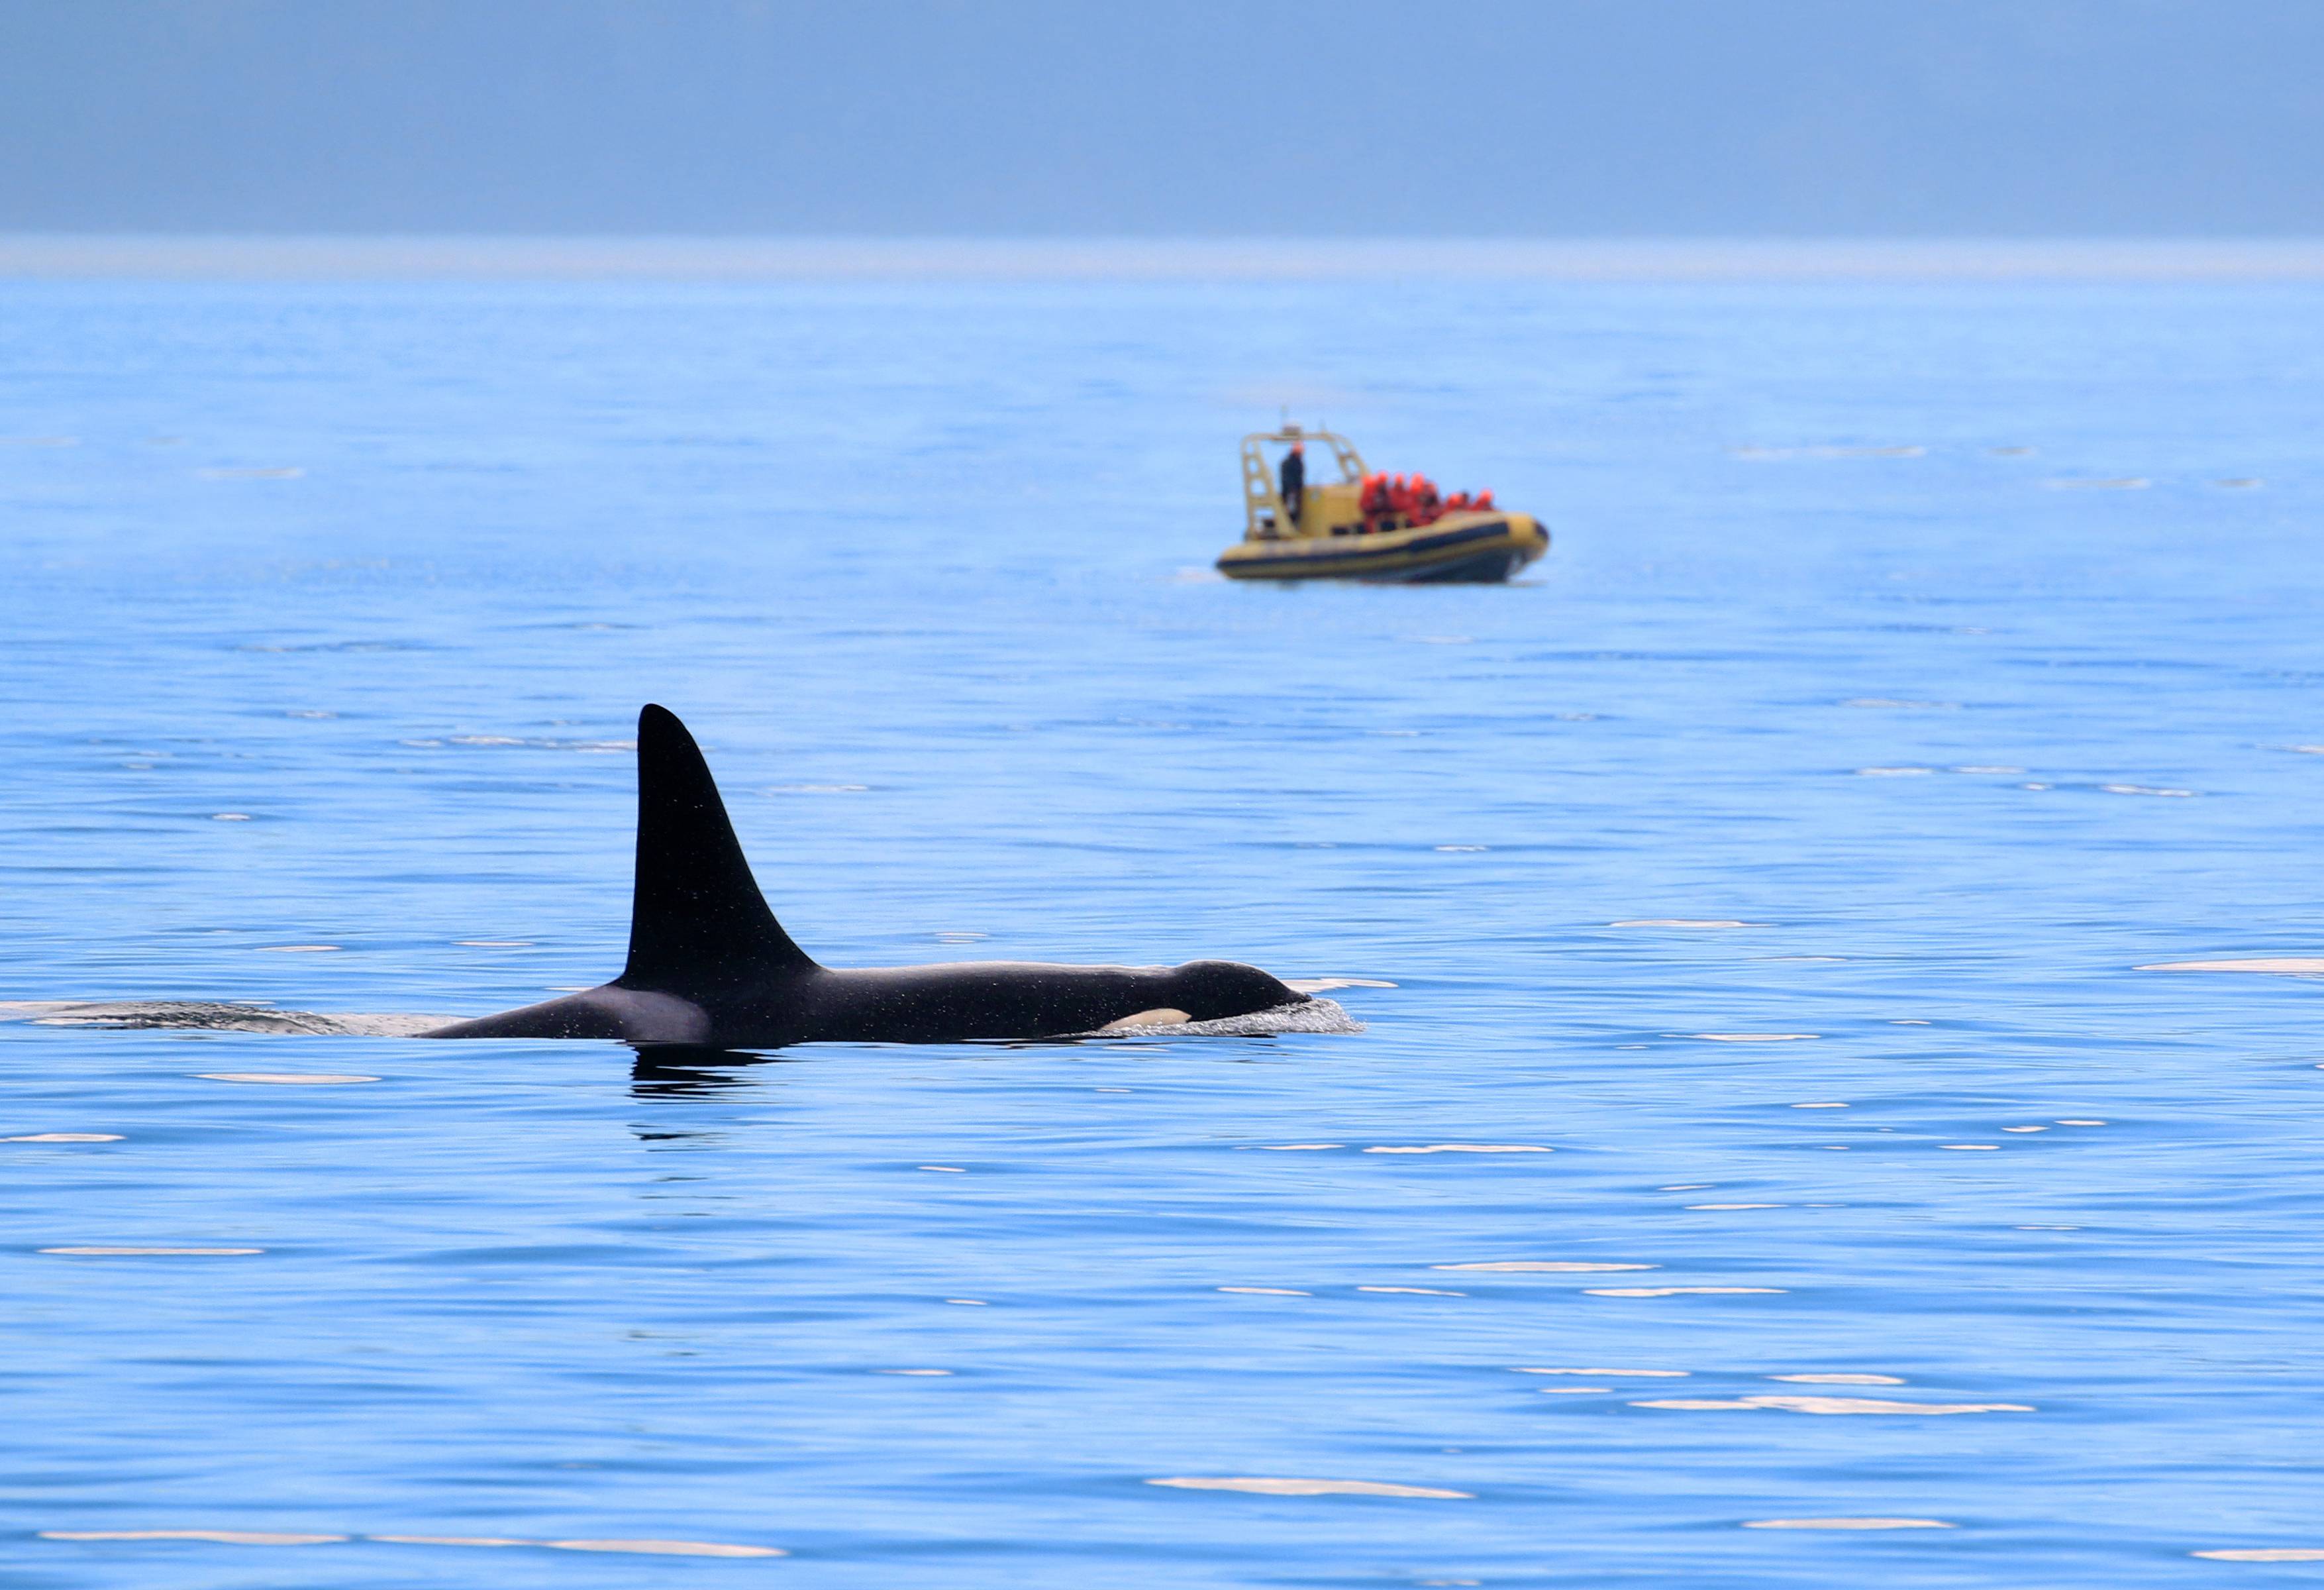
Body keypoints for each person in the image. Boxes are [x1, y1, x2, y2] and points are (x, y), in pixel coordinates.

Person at [1278, 442, 1305, 529]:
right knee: (1292, 511)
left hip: (1295, 491)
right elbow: (1287, 479)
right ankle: (1292, 526)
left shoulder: (1299, 462)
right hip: (1291, 492)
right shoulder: (1288, 463)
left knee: (1295, 511)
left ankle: (1295, 524)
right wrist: (1292, 490)